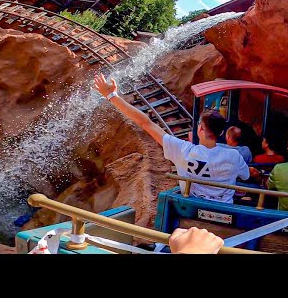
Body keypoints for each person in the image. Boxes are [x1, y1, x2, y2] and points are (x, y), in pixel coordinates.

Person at [94, 73, 250, 204]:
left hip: (191, 208)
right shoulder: (234, 156)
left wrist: (112, 96)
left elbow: (146, 123)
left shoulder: (183, 150)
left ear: (200, 129)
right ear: (222, 132)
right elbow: (246, 175)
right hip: (226, 210)